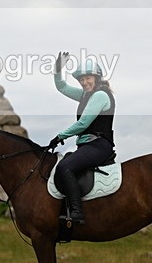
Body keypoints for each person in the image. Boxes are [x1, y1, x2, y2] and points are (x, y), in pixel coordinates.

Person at [49, 53, 116, 225]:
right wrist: (58, 70)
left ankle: (77, 213)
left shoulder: (100, 95)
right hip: (88, 146)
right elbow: (62, 87)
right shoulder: (85, 95)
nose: (84, 82)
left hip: (99, 145)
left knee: (64, 167)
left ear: (96, 78)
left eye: (88, 78)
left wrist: (60, 136)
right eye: (81, 80)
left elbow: (83, 123)